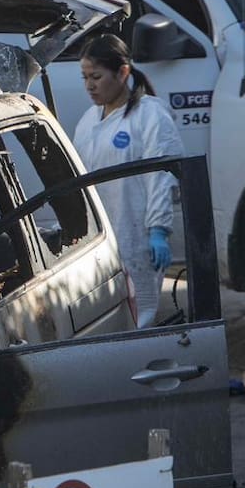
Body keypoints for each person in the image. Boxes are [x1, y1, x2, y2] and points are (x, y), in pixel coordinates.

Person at [73, 34, 185, 328]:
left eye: (96, 76)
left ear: (123, 72)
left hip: (138, 240)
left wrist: (158, 230)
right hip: (97, 243)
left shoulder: (150, 116)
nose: (89, 85)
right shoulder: (88, 120)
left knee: (139, 320)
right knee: (105, 323)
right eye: (84, 77)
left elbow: (161, 177)